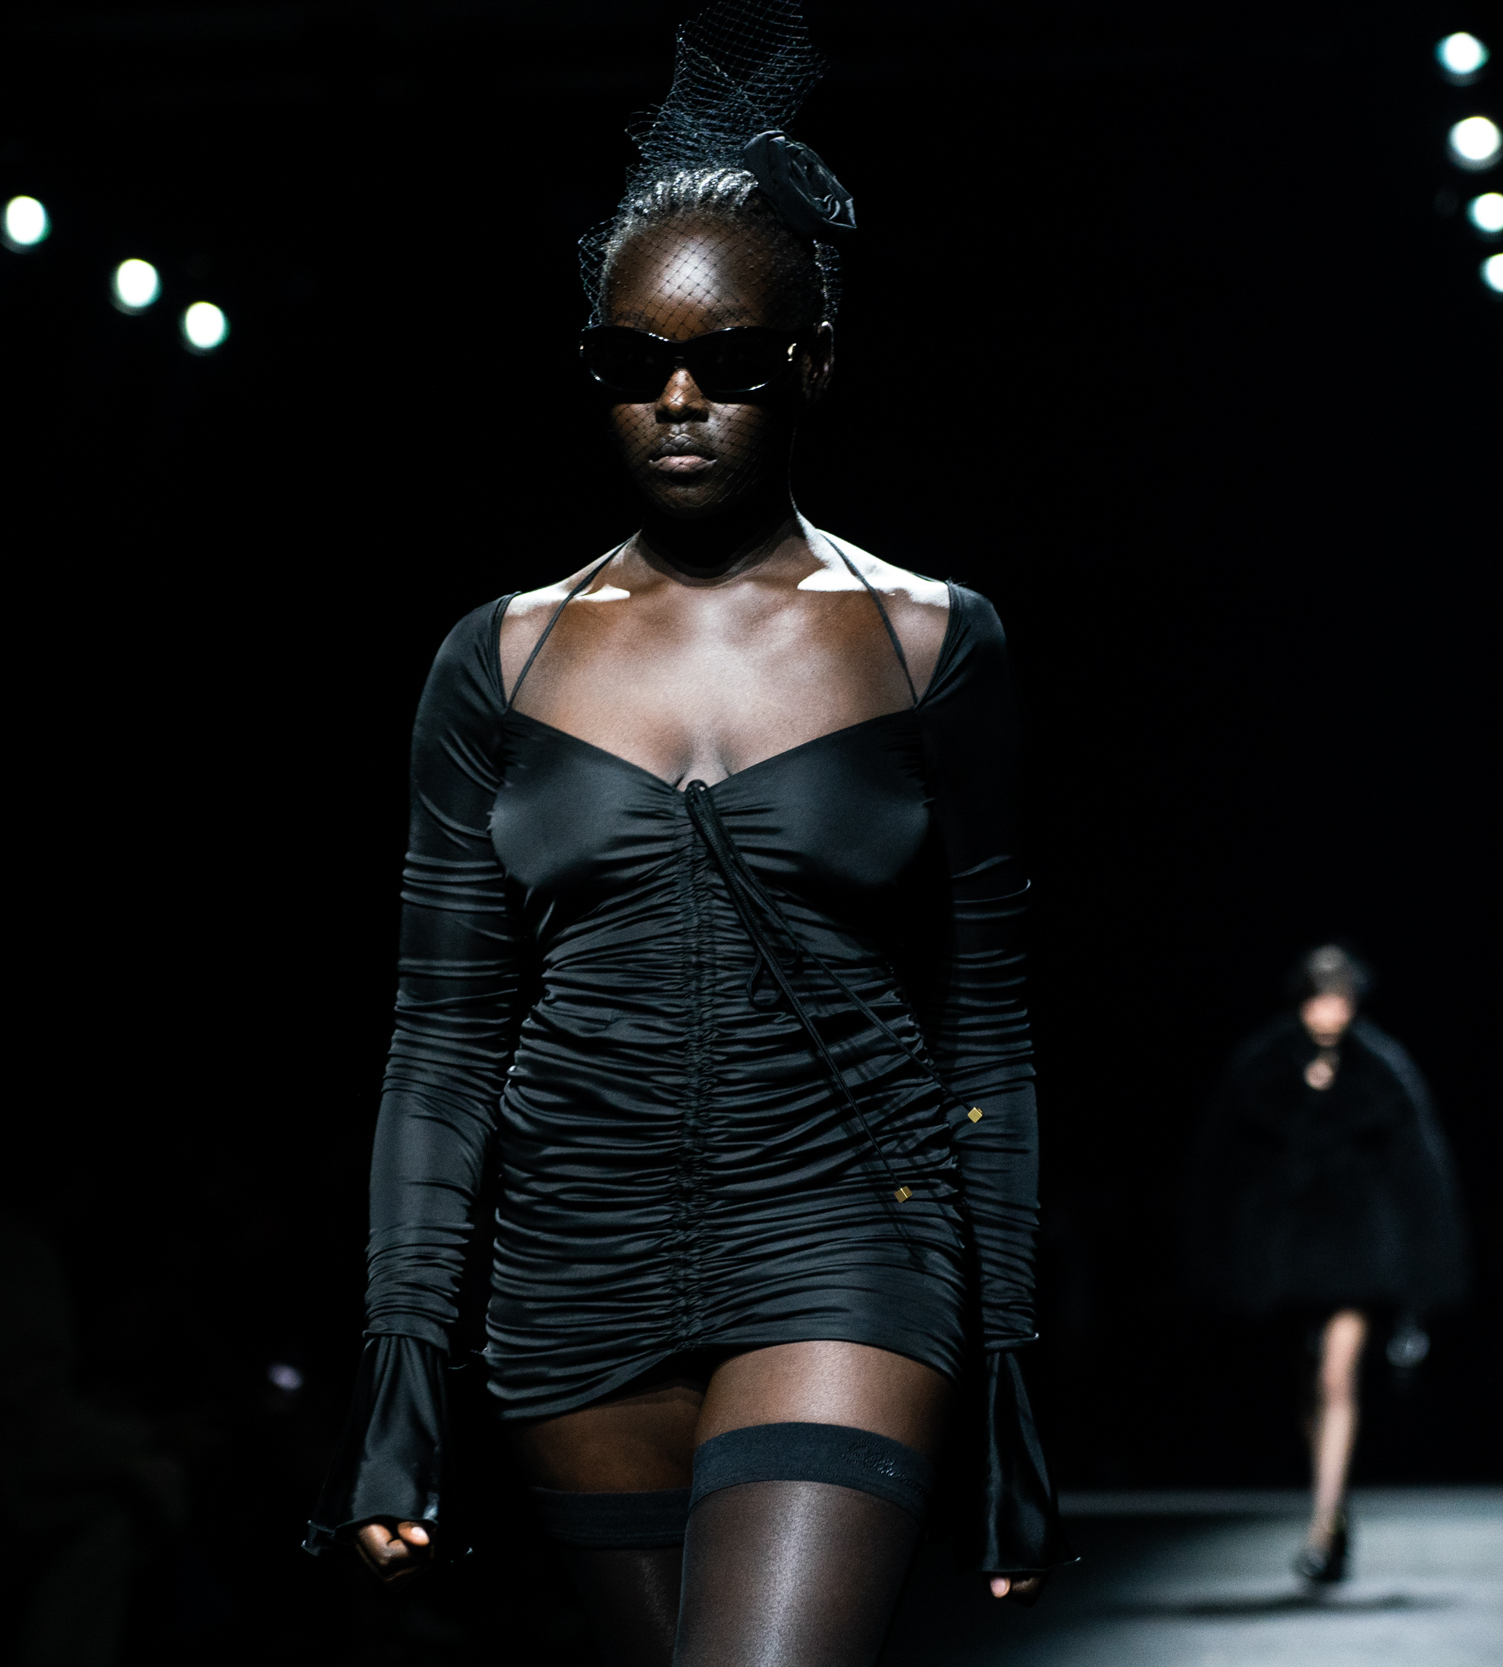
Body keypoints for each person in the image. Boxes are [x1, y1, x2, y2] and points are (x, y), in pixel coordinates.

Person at [302, 4, 1072, 1661]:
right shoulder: (498, 660)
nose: (676, 397)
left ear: (814, 362)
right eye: (628, 360)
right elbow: (441, 1044)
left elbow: (990, 1023)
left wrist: (1013, 1375)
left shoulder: (930, 644)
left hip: (845, 1241)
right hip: (568, 1273)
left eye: (730, 361)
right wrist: (399, 1381)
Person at [1184, 944, 1467, 1586]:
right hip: (1284, 1258)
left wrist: (1424, 1273)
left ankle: (1320, 1527)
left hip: (1358, 1250)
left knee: (1338, 1377)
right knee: (1307, 1385)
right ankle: (1334, 1512)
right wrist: (1225, 1257)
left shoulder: (1383, 1068)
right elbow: (1220, 1171)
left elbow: (1420, 1173)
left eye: (1340, 1000)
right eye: (1319, 999)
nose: (1329, 1013)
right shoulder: (1260, 1067)